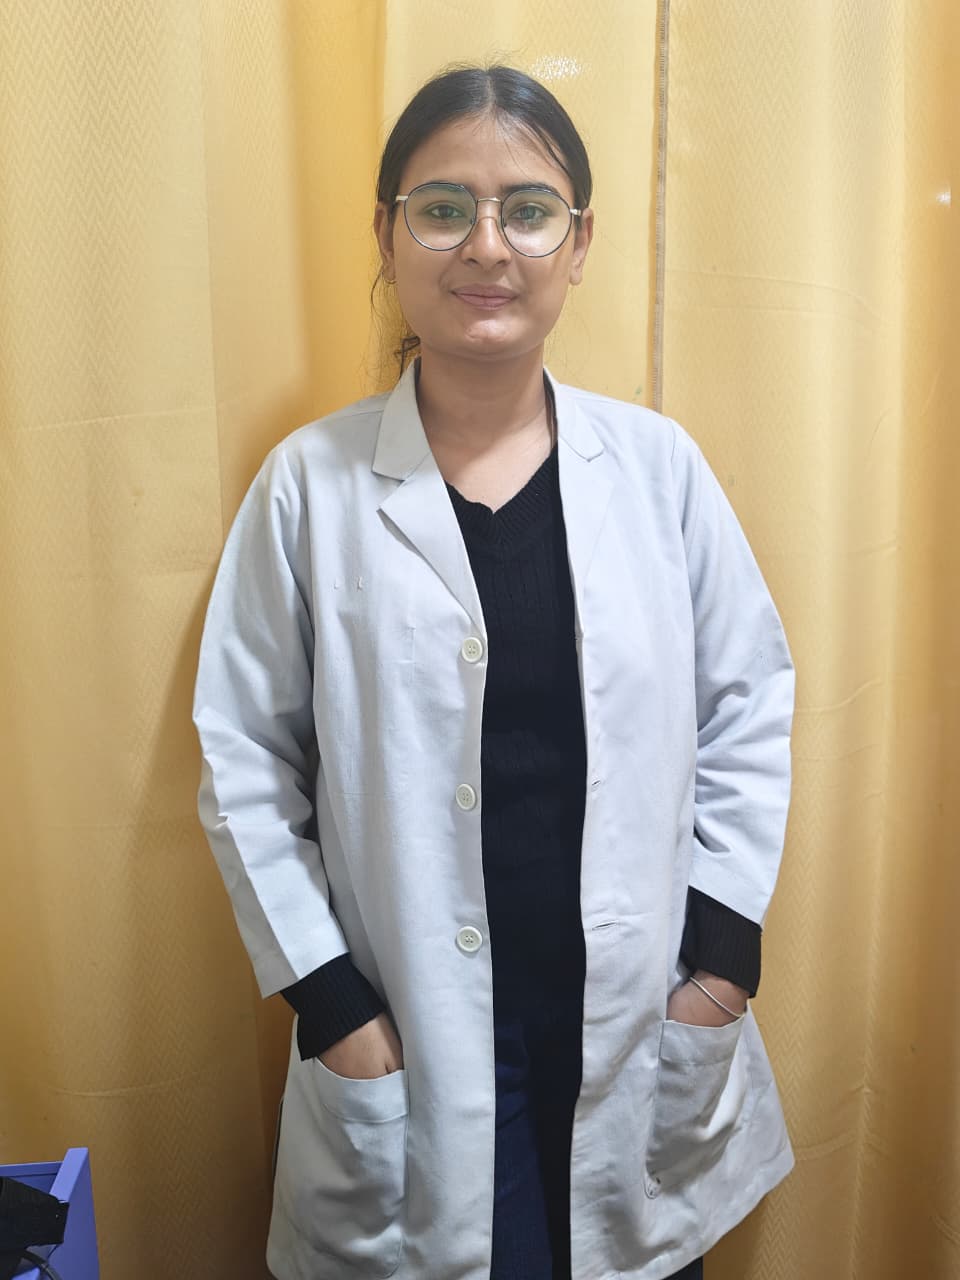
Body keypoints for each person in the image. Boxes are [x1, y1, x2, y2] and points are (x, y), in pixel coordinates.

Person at [192, 63, 795, 1280]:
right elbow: (243, 759)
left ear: (580, 243)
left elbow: (749, 707)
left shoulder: (659, 471)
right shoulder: (308, 487)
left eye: (528, 210)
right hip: (407, 1035)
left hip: (635, 1022)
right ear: (386, 233)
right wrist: (333, 1007)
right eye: (442, 208)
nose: (486, 246)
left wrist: (722, 967)